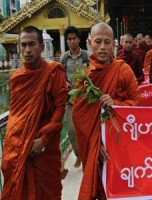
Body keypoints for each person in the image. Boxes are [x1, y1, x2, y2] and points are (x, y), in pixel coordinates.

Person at [72, 22, 142, 200]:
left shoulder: (123, 69)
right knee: (100, 189)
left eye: (107, 42)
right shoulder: (85, 76)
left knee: (122, 189)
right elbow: (79, 116)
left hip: (121, 144)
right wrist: (96, 144)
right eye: (98, 41)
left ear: (114, 44)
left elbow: (138, 104)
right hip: (97, 148)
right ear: (89, 43)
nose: (102, 47)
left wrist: (117, 104)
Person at [1, 26, 68, 199]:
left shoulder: (54, 72)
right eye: (23, 45)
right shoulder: (17, 78)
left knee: (48, 190)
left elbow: (60, 108)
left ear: (42, 47)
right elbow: (16, 116)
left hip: (45, 146)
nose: (27, 50)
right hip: (21, 146)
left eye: (32, 44)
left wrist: (43, 141)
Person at [60, 26, 89, 168]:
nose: (72, 41)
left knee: (86, 130)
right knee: (71, 130)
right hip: (72, 100)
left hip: (87, 99)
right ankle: (78, 155)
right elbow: (60, 75)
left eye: (74, 38)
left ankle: (87, 156)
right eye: (69, 39)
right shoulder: (64, 58)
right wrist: (65, 82)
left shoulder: (87, 56)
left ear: (79, 39)